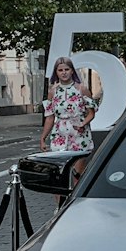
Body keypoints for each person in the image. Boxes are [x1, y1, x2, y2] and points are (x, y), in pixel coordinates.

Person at [41, 58, 96, 200]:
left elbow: (91, 112)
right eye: (60, 70)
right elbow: (50, 116)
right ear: (56, 72)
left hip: (79, 133)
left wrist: (83, 123)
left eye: (66, 69)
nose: (64, 73)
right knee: (58, 173)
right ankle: (59, 208)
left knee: (77, 172)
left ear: (72, 71)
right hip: (59, 133)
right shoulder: (53, 91)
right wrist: (43, 137)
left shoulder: (81, 89)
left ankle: (76, 203)